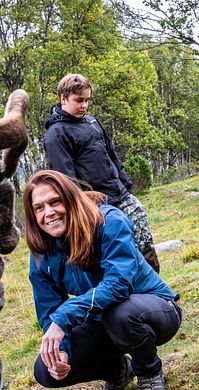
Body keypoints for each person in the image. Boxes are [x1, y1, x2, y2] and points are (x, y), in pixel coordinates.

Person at [23, 170, 182, 390]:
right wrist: (62, 351)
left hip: (153, 309)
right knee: (44, 371)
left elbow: (119, 284)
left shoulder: (109, 221)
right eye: (39, 207)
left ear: (71, 198)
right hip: (102, 319)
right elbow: (49, 311)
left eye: (55, 202)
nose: (49, 213)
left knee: (120, 314)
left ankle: (148, 369)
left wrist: (64, 317)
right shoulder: (41, 254)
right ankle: (116, 371)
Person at [43, 73, 161, 273]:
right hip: (95, 205)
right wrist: (84, 205)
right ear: (63, 99)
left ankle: (156, 291)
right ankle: (128, 296)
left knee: (143, 238)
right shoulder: (56, 133)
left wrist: (125, 184)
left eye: (87, 100)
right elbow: (65, 177)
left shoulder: (92, 122)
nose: (84, 105)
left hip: (121, 193)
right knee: (115, 250)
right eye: (79, 100)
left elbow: (111, 154)